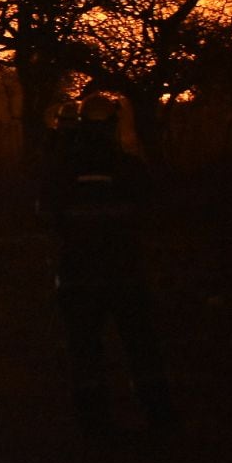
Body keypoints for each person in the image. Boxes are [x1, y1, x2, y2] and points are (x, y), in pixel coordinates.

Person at [38, 92, 176, 438]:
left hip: (77, 277)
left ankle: (95, 429)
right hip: (126, 274)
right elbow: (153, 212)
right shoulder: (130, 167)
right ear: (113, 125)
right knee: (142, 349)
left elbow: (47, 216)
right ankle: (160, 421)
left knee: (85, 353)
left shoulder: (61, 168)